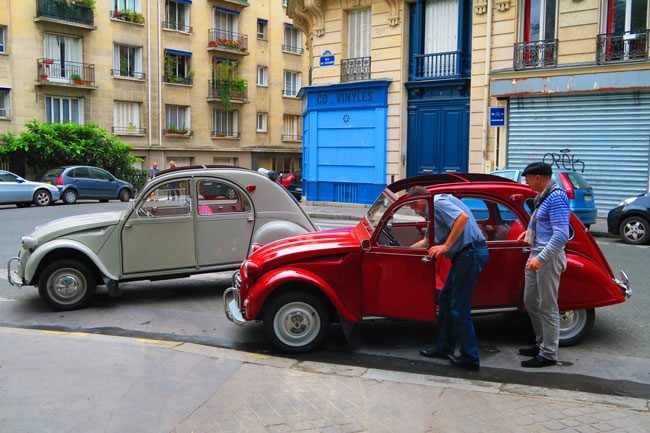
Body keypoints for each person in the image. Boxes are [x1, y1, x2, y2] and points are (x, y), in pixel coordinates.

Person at [409, 186, 489, 371]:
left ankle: (470, 357)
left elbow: (462, 218)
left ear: (421, 199)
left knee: (460, 308)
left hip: (470, 254)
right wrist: (403, 252)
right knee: (445, 300)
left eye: (413, 205)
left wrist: (446, 245)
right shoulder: (432, 210)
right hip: (464, 256)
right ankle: (445, 347)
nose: (413, 209)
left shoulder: (438, 202)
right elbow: (426, 242)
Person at [517, 162, 570, 368]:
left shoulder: (556, 197)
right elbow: (544, 224)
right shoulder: (545, 196)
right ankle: (541, 344)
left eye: (528, 178)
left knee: (548, 307)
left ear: (538, 178)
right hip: (536, 253)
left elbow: (561, 235)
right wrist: (529, 234)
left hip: (547, 258)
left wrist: (541, 258)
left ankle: (549, 354)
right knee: (530, 301)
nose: (526, 182)